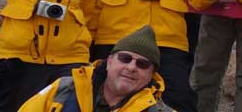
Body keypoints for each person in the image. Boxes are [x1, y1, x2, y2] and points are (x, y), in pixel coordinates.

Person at [19, 25, 173, 112]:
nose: (132, 67)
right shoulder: (64, 88)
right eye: (125, 59)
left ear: (152, 75)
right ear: (109, 61)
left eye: (142, 64)